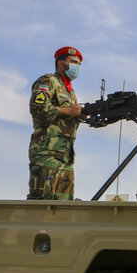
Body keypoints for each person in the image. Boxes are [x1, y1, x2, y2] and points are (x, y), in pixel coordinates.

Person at [28, 46, 85, 200]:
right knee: (43, 202)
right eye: (73, 62)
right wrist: (69, 111)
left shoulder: (70, 92)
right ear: (60, 64)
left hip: (65, 157)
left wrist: (80, 116)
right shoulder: (47, 81)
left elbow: (68, 120)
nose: (77, 67)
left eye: (79, 64)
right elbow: (38, 108)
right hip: (47, 154)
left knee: (63, 207)